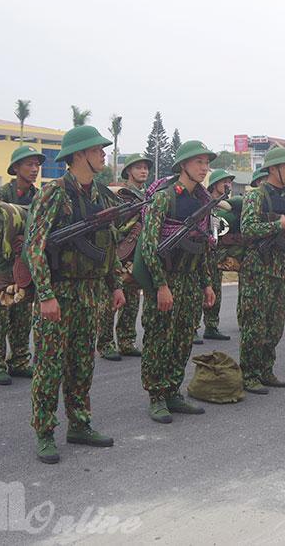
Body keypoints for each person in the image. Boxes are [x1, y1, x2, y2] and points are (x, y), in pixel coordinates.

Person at [24, 125, 125, 463]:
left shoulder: (100, 193)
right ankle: (44, 431)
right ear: (80, 154)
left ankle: (79, 423)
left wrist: (115, 284)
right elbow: (34, 246)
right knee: (50, 366)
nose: (103, 154)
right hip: (60, 290)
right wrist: (45, 295)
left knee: (82, 364)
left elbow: (108, 243)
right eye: (98, 150)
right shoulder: (54, 192)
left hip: (90, 291)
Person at [139, 140, 217, 422]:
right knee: (159, 339)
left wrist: (207, 283)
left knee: (184, 339)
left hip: (190, 280)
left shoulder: (203, 201)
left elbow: (205, 245)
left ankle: (173, 391)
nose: (204, 168)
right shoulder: (164, 197)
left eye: (207, 163)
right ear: (183, 165)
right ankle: (157, 396)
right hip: (167, 279)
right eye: (199, 162)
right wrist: (161, 285)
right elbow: (148, 246)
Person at [238, 147, 285, 393]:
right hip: (258, 270)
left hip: (279, 270)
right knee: (255, 325)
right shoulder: (256, 196)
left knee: (275, 325)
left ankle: (266, 370)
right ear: (273, 169)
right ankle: (249, 374)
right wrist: (278, 224)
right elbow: (247, 228)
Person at [0, 145, 46, 384]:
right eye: (29, 164)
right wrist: (9, 241)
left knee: (22, 315)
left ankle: (19, 360)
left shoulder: (40, 198)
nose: (34, 169)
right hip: (0, 266)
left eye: (36, 165)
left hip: (25, 265)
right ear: (15, 168)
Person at [97, 153, 152, 361]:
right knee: (112, 299)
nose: (143, 171)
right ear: (128, 171)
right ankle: (105, 343)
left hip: (137, 253)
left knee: (131, 300)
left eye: (145, 167)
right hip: (119, 251)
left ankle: (127, 340)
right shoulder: (119, 195)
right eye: (138, 167)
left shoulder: (149, 195)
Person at [200, 168, 236, 343]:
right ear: (215, 184)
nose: (228, 185)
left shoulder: (228, 206)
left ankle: (211, 325)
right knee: (197, 291)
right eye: (225, 182)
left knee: (215, 290)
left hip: (218, 254)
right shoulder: (204, 202)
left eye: (230, 182)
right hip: (201, 254)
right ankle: (191, 327)